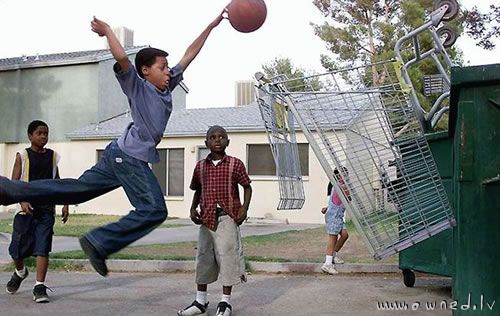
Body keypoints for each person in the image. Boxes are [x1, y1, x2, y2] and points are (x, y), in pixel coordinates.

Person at [0, 12, 225, 277]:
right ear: (145, 71)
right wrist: (107, 30)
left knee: (76, 191)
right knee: (154, 209)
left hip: (118, 153)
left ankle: (10, 189)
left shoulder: (167, 84)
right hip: (129, 157)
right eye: (162, 68)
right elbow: (122, 59)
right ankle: (99, 242)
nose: (168, 72)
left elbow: (189, 55)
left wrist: (210, 27)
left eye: (167, 67)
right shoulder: (137, 87)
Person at [178, 125, 252, 316]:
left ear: (228, 141)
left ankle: (225, 303)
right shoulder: (201, 166)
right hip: (206, 218)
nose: (217, 140)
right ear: (206, 143)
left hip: (227, 217)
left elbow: (247, 187)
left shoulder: (235, 164)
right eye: (212, 137)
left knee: (228, 258)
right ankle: (200, 301)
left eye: (221, 137)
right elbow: (198, 189)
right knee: (203, 257)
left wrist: (244, 208)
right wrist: (193, 208)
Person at [5, 120, 69, 303]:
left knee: (43, 247)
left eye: (46, 133)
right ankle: (20, 271)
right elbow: (13, 184)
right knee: (17, 250)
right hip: (25, 211)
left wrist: (65, 203)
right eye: (40, 133)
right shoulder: (22, 156)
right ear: (30, 136)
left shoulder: (52, 157)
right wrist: (22, 199)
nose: (43, 136)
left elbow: (58, 182)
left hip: (46, 210)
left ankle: (39, 286)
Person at [320, 167, 350, 275]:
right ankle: (327, 264)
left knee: (345, 235)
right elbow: (349, 197)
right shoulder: (340, 187)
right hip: (334, 217)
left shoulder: (339, 186)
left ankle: (333, 256)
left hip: (338, 216)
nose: (346, 176)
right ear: (338, 176)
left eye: (346, 173)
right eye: (344, 174)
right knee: (332, 239)